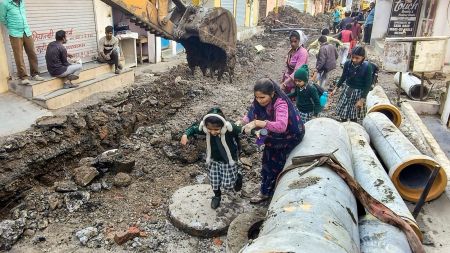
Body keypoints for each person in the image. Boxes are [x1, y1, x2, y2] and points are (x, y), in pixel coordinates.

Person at [242, 78, 305, 203]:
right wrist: (241, 122)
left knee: (275, 163)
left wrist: (257, 123)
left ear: (272, 94)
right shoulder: (258, 101)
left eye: (262, 97)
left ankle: (268, 191)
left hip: (289, 136)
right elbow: (251, 113)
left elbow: (281, 126)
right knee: (267, 160)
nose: (259, 101)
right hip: (273, 134)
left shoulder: (281, 103)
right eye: (257, 97)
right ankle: (266, 187)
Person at [180, 108, 243, 209]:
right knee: (214, 180)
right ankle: (217, 196)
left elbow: (243, 129)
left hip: (228, 161)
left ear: (223, 126)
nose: (213, 132)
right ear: (205, 127)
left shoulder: (230, 129)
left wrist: (256, 132)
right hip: (213, 159)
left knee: (228, 184)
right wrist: (185, 134)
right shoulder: (206, 130)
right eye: (210, 129)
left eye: (216, 129)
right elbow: (193, 129)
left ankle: (238, 177)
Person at [0, 0, 44, 84]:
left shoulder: (22, 2)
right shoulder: (5, 3)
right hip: (15, 33)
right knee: (18, 55)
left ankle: (35, 74)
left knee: (32, 53)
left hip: (26, 31)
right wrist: (11, 26)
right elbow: (2, 18)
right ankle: (23, 77)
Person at [331, 46, 373, 122]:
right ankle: (344, 124)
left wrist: (362, 99)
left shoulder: (367, 67)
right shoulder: (347, 64)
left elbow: (368, 84)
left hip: (358, 93)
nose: (354, 60)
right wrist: (335, 88)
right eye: (352, 57)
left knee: (354, 113)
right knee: (343, 110)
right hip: (347, 90)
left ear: (363, 57)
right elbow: (343, 77)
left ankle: (354, 127)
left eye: (357, 58)